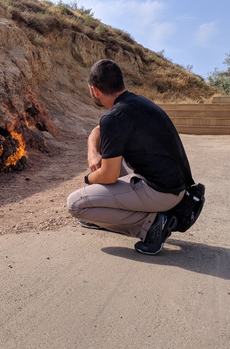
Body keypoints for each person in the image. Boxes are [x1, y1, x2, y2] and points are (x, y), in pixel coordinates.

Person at [67, 59, 195, 255]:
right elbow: (97, 131)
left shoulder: (114, 117)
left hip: (162, 194)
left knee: (76, 205)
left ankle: (150, 224)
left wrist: (88, 179)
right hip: (176, 187)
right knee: (108, 163)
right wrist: (93, 153)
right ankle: (111, 216)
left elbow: (108, 176)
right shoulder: (136, 103)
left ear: (94, 90)